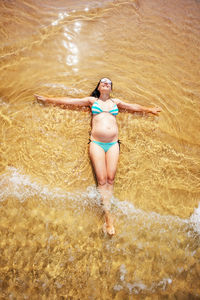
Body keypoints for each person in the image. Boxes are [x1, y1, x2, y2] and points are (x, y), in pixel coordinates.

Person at [34, 77, 161, 236]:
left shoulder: (116, 102)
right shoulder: (92, 101)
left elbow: (133, 107)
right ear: (99, 87)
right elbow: (70, 102)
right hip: (97, 144)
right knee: (102, 180)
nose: (106, 83)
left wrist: (149, 110)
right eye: (103, 82)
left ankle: (108, 209)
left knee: (111, 179)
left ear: (111, 88)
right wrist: (48, 99)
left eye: (109, 82)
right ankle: (108, 218)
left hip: (113, 144)